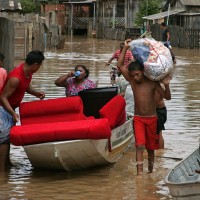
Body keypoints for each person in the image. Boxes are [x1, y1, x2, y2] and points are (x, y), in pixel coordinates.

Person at [117, 39, 171, 175]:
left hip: (152, 119)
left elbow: (167, 96)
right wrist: (125, 48)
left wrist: (167, 85)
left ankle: (150, 171)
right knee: (140, 145)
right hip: (139, 119)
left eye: (138, 74)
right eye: (133, 75)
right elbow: (119, 65)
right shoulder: (133, 82)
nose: (135, 77)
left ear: (142, 71)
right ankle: (139, 174)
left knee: (151, 147)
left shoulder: (153, 83)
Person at [0, 50, 45, 171]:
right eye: (40, 65)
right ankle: (2, 170)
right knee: (3, 139)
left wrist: (36, 93)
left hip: (10, 108)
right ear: (35, 64)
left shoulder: (28, 73)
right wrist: (13, 113)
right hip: (3, 108)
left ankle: (7, 164)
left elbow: (26, 86)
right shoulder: (16, 77)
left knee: (7, 138)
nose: (39, 68)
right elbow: (3, 97)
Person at [155, 83, 167, 149]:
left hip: (158, 111)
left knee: (159, 133)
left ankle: (160, 152)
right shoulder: (160, 85)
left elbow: (155, 102)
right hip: (159, 111)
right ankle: (160, 152)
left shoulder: (159, 86)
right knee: (159, 132)